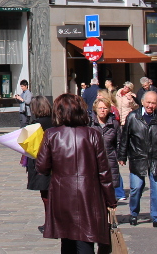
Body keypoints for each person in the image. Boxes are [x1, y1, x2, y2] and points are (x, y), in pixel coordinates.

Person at [36, 94, 116, 252]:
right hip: (88, 196)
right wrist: (110, 200)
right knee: (86, 239)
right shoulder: (93, 134)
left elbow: (42, 167)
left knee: (67, 241)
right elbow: (104, 172)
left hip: (62, 195)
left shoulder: (52, 135)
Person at [119, 91, 157, 227]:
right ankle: (134, 213)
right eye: (148, 102)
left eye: (153, 103)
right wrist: (122, 156)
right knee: (136, 188)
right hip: (138, 157)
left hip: (156, 158)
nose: (150, 105)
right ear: (142, 102)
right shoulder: (133, 117)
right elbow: (125, 137)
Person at [26, 95, 53, 232]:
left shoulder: (34, 125)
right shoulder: (56, 122)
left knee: (46, 196)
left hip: (41, 163)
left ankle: (50, 223)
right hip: (56, 163)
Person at [91, 97, 125, 204]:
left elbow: (119, 142)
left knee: (109, 190)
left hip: (109, 159)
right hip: (92, 160)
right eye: (100, 108)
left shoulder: (113, 124)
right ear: (95, 109)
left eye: (105, 108)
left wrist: (120, 156)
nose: (102, 110)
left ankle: (108, 216)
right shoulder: (90, 123)